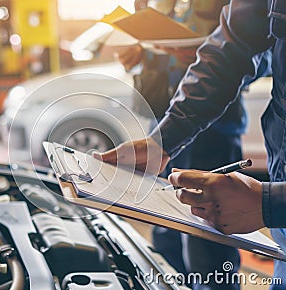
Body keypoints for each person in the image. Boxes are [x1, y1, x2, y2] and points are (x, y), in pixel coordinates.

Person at [97, 0, 284, 287]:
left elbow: (256, 57)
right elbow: (233, 47)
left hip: (214, 132)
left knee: (207, 252)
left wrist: (271, 203)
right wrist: (163, 140)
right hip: (182, 125)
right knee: (168, 239)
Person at [116, 1, 244, 289]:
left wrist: (194, 53)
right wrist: (145, 55)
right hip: (166, 127)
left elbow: (245, 54)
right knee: (166, 233)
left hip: (211, 132)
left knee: (205, 241)